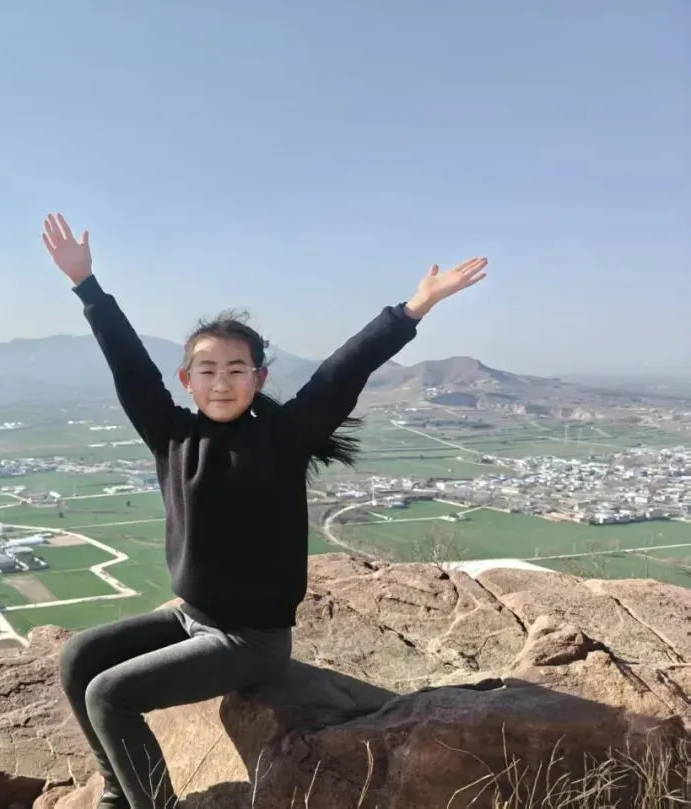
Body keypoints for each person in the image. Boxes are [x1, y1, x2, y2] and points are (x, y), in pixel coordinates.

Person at [40, 212, 487, 809]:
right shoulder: (171, 434)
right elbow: (129, 365)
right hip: (190, 618)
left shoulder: (284, 437)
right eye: (207, 370)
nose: (221, 382)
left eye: (236, 370)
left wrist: (413, 309)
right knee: (79, 659)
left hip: (249, 641)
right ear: (187, 380)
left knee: (110, 695)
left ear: (259, 377)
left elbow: (342, 372)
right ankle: (120, 792)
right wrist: (86, 286)